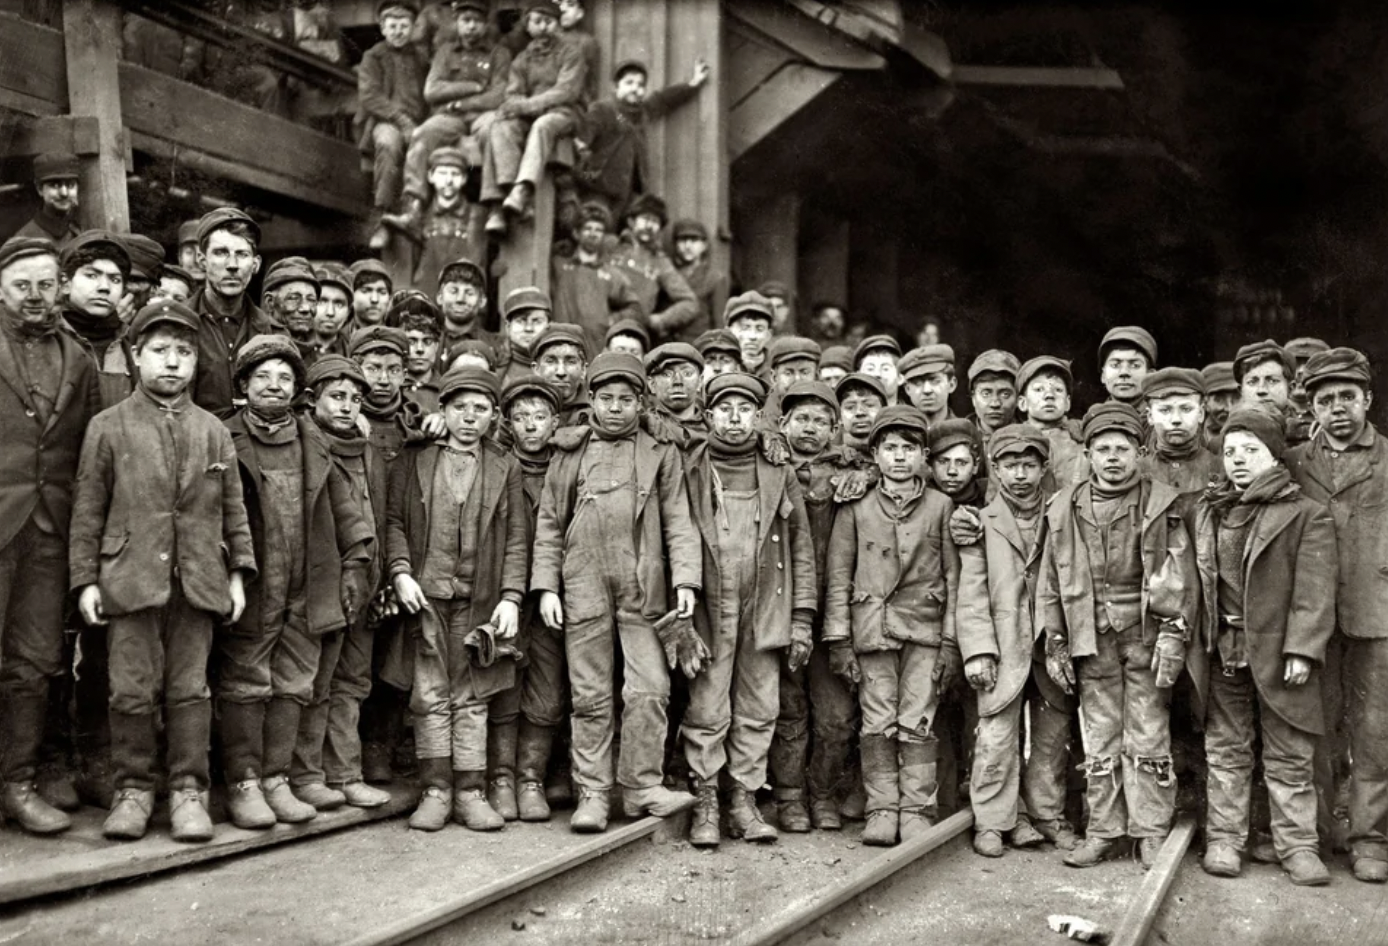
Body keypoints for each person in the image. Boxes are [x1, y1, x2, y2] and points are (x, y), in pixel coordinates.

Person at [69, 300, 254, 842]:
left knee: (190, 690)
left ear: (196, 362)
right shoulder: (107, 427)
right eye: (160, 352)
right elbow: (87, 509)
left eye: (184, 353)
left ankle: (188, 792)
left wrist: (238, 575)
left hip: (197, 582)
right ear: (136, 355)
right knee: (130, 692)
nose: (172, 363)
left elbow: (234, 510)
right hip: (130, 580)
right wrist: (86, 580)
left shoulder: (214, 432)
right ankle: (132, 789)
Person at [531, 352, 701, 832]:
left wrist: (685, 580)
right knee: (589, 695)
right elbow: (548, 523)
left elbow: (678, 520)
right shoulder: (568, 452)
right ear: (591, 400)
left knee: (650, 688)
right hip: (582, 580)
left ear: (640, 402)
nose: (615, 408)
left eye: (626, 400)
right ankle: (594, 794)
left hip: (642, 584)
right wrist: (546, 587)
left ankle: (641, 786)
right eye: (606, 399)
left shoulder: (659, 452)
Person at [219, 335, 373, 829]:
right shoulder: (224, 437)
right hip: (256, 579)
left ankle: (276, 780)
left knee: (295, 681)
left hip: (308, 581)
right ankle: (243, 783)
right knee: (246, 680)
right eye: (262, 376)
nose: (274, 385)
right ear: (243, 385)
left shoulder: (313, 440)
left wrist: (354, 563)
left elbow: (347, 513)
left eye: (284, 377)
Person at [1038, 402, 1197, 869]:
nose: (1112, 457)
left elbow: (1179, 572)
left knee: (1148, 734)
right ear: (1086, 453)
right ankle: (1104, 831)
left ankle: (1150, 832)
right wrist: (1057, 640)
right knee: (1100, 736)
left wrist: (1172, 633)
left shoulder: (1161, 502)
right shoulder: (1065, 505)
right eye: (1102, 449)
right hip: (1092, 639)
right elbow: (1051, 578)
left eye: (1122, 449)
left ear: (1140, 451)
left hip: (1143, 637)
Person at [1192, 408, 1336, 886]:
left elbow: (1314, 591)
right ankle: (1226, 840)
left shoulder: (1305, 514)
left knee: (1289, 750)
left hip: (1279, 652)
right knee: (1227, 747)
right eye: (1230, 452)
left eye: (1250, 450)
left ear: (1275, 456)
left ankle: (1296, 846)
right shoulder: (1212, 510)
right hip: (1224, 647)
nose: (1237, 460)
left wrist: (1302, 649)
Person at [386, 366, 527, 831]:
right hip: (426, 598)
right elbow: (394, 523)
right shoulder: (415, 459)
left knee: (473, 694)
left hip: (479, 599)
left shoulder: (504, 466)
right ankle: (435, 790)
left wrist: (509, 597)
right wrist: (401, 573)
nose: (470, 418)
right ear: (441, 411)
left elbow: (516, 541)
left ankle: (469, 791)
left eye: (480, 409)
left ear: (494, 416)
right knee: (429, 693)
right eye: (459, 408)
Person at [680, 372, 815, 847]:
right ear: (708, 415)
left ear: (759, 417)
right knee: (707, 703)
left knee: (760, 706)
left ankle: (743, 798)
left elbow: (800, 548)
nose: (734, 419)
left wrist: (801, 619)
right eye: (724, 409)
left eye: (744, 410)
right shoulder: (689, 466)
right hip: (709, 609)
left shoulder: (780, 471)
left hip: (765, 606)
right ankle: (705, 801)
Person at [0, 236, 102, 835]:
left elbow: (84, 454)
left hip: (48, 533)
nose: (35, 298)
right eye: (22, 286)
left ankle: (17, 784)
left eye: (45, 285)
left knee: (35, 662)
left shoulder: (78, 356)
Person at [824, 405, 960, 847]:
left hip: (925, 627)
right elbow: (838, 574)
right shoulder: (855, 506)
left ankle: (917, 808)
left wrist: (951, 643)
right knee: (877, 720)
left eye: (908, 449)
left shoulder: (941, 505)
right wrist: (839, 639)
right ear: (875, 455)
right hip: (872, 629)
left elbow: (954, 578)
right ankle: (882, 807)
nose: (899, 457)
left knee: (917, 720)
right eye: (890, 449)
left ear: (923, 456)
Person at [1287, 347, 1388, 884]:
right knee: (1316, 729)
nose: (1338, 408)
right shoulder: (1294, 462)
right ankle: (1319, 834)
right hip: (1312, 622)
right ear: (1312, 409)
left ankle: (1370, 840)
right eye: (1325, 400)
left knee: (1375, 733)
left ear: (1367, 399)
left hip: (1377, 616)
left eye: (1348, 397)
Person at [292, 356, 393, 811]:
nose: (348, 407)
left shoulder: (367, 451)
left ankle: (345, 773)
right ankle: (307, 774)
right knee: (317, 680)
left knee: (353, 681)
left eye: (355, 398)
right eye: (337, 396)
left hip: (365, 582)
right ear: (312, 401)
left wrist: (382, 573)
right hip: (321, 583)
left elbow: (381, 517)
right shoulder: (305, 446)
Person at [958, 425, 1059, 857]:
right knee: (997, 735)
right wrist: (979, 650)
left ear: (1044, 468)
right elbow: (973, 592)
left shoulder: (1062, 512)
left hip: (1051, 641)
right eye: (1011, 465)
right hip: (1003, 642)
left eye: (1029, 465)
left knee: (1053, 734)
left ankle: (1046, 816)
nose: (1020, 475)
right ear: (995, 469)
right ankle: (993, 821)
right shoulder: (980, 522)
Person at [771, 380, 862, 831]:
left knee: (836, 718)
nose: (809, 429)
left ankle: (823, 792)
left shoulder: (852, 471)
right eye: (800, 419)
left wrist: (862, 473)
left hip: (834, 616)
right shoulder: (767, 462)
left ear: (835, 428)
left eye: (820, 421)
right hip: (779, 610)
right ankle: (789, 799)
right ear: (783, 423)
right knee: (788, 711)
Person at [388, 1, 510, 240]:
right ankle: (413, 207)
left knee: (492, 131)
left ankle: (496, 206)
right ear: (457, 23)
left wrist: (461, 101)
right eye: (466, 21)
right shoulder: (445, 52)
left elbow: (499, 94)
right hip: (449, 117)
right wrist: (472, 86)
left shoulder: (499, 54)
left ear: (485, 25)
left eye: (476, 21)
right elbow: (431, 91)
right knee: (422, 134)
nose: (471, 27)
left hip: (481, 115)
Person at [500, 374, 564, 821]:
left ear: (555, 421)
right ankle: (501, 779)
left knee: (547, 689)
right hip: (503, 593)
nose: (531, 426)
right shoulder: (497, 465)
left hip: (555, 598)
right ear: (507, 424)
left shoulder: (568, 465)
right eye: (520, 417)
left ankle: (531, 779)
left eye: (540, 417)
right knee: (502, 684)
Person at [480, 1, 589, 236]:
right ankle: (498, 204)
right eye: (537, 22)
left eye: (548, 22)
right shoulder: (522, 59)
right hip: (531, 114)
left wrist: (527, 105)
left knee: (542, 125)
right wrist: (519, 106)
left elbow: (566, 91)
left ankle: (522, 189)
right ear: (528, 26)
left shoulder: (571, 53)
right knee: (498, 126)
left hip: (564, 115)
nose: (543, 28)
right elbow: (513, 93)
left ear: (557, 25)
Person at [576, 58, 710, 214]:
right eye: (629, 83)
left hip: (629, 195)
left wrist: (693, 84)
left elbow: (664, 99)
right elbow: (581, 142)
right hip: (599, 192)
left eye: (641, 85)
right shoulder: (602, 109)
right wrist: (589, 176)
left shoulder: (642, 113)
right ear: (616, 86)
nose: (635, 89)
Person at [187, 209, 277, 417]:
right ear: (202, 260)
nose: (233, 265)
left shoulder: (271, 331)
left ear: (256, 264)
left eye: (242, 254)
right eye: (221, 253)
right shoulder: (179, 322)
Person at [357, 1, 429, 244]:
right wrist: (401, 119)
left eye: (404, 26)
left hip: (419, 124)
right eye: (393, 26)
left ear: (412, 27)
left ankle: (418, 217)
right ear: (383, 28)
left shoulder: (421, 58)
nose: (399, 31)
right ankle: (382, 215)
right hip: (386, 121)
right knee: (388, 143)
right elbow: (369, 96)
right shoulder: (373, 57)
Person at [607, 195, 701, 343]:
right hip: (600, 326)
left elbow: (689, 303)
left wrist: (656, 321)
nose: (649, 226)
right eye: (645, 218)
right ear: (631, 221)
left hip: (633, 335)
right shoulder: (611, 246)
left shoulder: (660, 262)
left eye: (655, 222)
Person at [551, 203, 641, 356]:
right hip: (558, 343)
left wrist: (609, 320)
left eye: (599, 230)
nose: (593, 234)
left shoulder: (611, 274)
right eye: (588, 228)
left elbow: (635, 308)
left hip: (594, 347)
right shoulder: (558, 264)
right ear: (576, 233)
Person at [409, 148, 488, 297]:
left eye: (455, 174)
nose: (448, 180)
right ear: (430, 176)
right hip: (428, 298)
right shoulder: (421, 215)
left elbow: (478, 264)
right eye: (442, 173)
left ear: (464, 179)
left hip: (463, 303)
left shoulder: (476, 214)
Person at [1140, 368, 1221, 496]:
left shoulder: (1220, 468)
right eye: (1165, 410)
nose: (1176, 420)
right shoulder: (1136, 471)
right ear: (1150, 416)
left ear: (1201, 414)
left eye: (1186, 409)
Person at [1016, 356, 1087, 493]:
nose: (1049, 395)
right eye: (1038, 389)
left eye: (1058, 390)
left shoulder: (1081, 439)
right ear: (1022, 403)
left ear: (1067, 403)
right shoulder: (1012, 440)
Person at [58, 230, 130, 365]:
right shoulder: (46, 339)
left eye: (115, 280)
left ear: (123, 291)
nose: (105, 287)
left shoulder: (134, 343)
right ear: (65, 283)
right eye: (92, 275)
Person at [1234, 340, 1304, 445]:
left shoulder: (1309, 437)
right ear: (1241, 391)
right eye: (1252, 382)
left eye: (1272, 381)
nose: (1261, 390)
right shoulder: (1224, 442)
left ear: (1290, 388)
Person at [669, 219, 728, 339]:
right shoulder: (669, 275)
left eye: (694, 240)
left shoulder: (715, 278)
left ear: (704, 245)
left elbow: (719, 324)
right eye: (683, 240)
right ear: (675, 245)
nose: (688, 246)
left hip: (698, 347)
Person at [260, 258, 323, 368]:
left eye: (311, 300)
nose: (306, 308)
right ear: (270, 302)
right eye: (294, 298)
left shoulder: (318, 351)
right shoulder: (257, 346)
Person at [15, 153, 80, 248]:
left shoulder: (78, 233)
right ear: (39, 189)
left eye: (70, 185)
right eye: (55, 185)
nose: (64, 193)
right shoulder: (24, 240)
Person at [645, 342, 706, 442]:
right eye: (666, 374)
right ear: (652, 384)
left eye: (687, 373)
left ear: (700, 381)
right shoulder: (642, 430)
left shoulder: (718, 430)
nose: (678, 381)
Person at [532, 323, 590, 424]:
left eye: (571, 361)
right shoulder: (518, 409)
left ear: (583, 370)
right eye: (550, 361)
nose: (561, 372)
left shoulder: (597, 413)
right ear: (536, 368)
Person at [496, 286, 553, 388]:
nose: (529, 328)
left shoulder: (560, 367)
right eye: (520, 321)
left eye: (537, 321)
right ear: (508, 327)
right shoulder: (495, 363)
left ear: (548, 326)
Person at [435, 257, 491, 354]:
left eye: (469, 293)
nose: (460, 299)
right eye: (453, 291)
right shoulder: (424, 342)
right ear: (440, 297)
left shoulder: (495, 347)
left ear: (482, 301)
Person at [966, 350, 1021, 441]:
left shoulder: (1032, 437)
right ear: (973, 398)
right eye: (986, 394)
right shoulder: (959, 437)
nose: (995, 404)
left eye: (1005, 394)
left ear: (1018, 399)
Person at [1098, 326, 1156, 409]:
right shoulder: (1092, 420)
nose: (1124, 372)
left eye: (1135, 366)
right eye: (1115, 365)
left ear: (1150, 376)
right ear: (1103, 375)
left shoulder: (1163, 420)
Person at [899, 344, 956, 425]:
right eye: (917, 383)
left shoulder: (965, 433)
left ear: (951, 385)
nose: (927, 390)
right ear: (907, 389)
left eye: (935, 381)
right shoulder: (899, 435)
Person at [836, 372, 888, 454]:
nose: (859, 412)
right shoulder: (825, 457)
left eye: (869, 405)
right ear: (839, 417)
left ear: (884, 411)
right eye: (850, 407)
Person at [725, 292, 775, 377]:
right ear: (728, 332)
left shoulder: (776, 368)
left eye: (759, 329)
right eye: (745, 328)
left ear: (768, 335)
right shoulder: (718, 368)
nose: (752, 336)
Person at [854, 335, 901, 405]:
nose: (877, 374)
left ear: (900, 377)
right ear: (858, 376)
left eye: (885, 369)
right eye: (870, 369)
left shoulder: (912, 415)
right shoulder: (847, 415)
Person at [1201, 362, 1239, 448]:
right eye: (1219, 399)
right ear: (1205, 403)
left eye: (1236, 398)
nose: (1229, 408)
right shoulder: (1194, 440)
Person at [350, 259, 394, 332]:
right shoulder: (336, 337)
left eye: (382, 292)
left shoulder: (400, 336)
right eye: (365, 291)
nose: (374, 299)